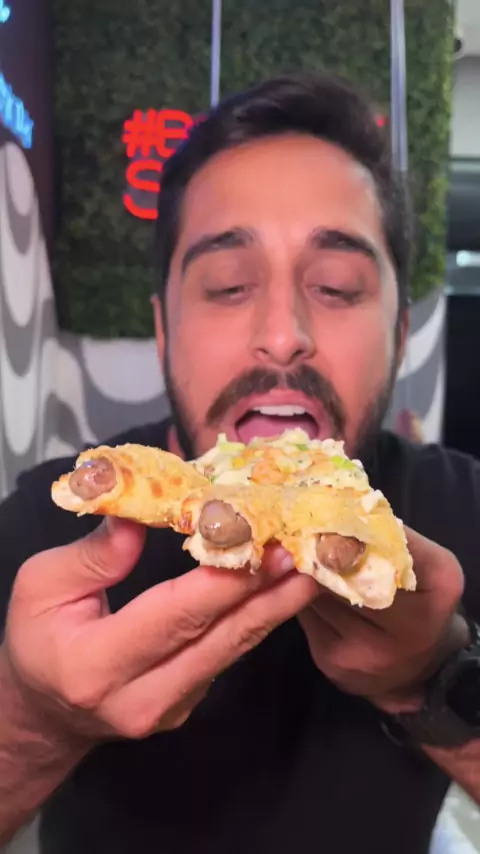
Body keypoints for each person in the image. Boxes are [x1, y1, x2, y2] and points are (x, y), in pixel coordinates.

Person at [1, 71, 480, 854]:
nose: (283, 334)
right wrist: (33, 724)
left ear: (398, 336)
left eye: (337, 287)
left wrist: (430, 676)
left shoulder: (464, 509)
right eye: (228, 286)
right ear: (163, 331)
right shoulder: (46, 536)